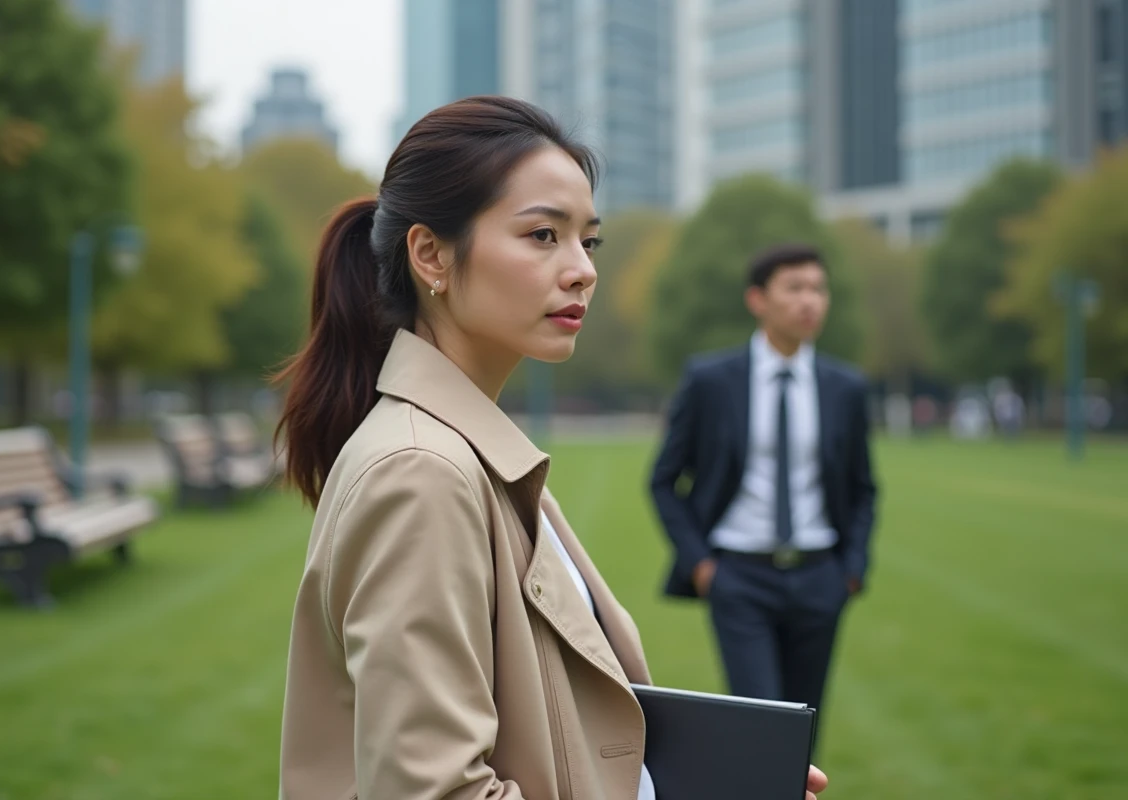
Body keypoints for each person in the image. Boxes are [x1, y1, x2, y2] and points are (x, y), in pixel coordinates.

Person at [273, 97, 830, 799]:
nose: (582, 270)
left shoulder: (470, 453)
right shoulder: (422, 472)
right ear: (430, 254)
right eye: (543, 235)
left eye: (587, 241)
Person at [649, 243, 878, 746]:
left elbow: (863, 488)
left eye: (818, 289)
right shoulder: (711, 380)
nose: (809, 301)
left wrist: (852, 569)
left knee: (803, 736)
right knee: (760, 729)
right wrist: (703, 566)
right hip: (738, 579)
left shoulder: (846, 387)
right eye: (794, 288)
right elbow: (663, 480)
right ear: (758, 300)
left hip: (821, 577)